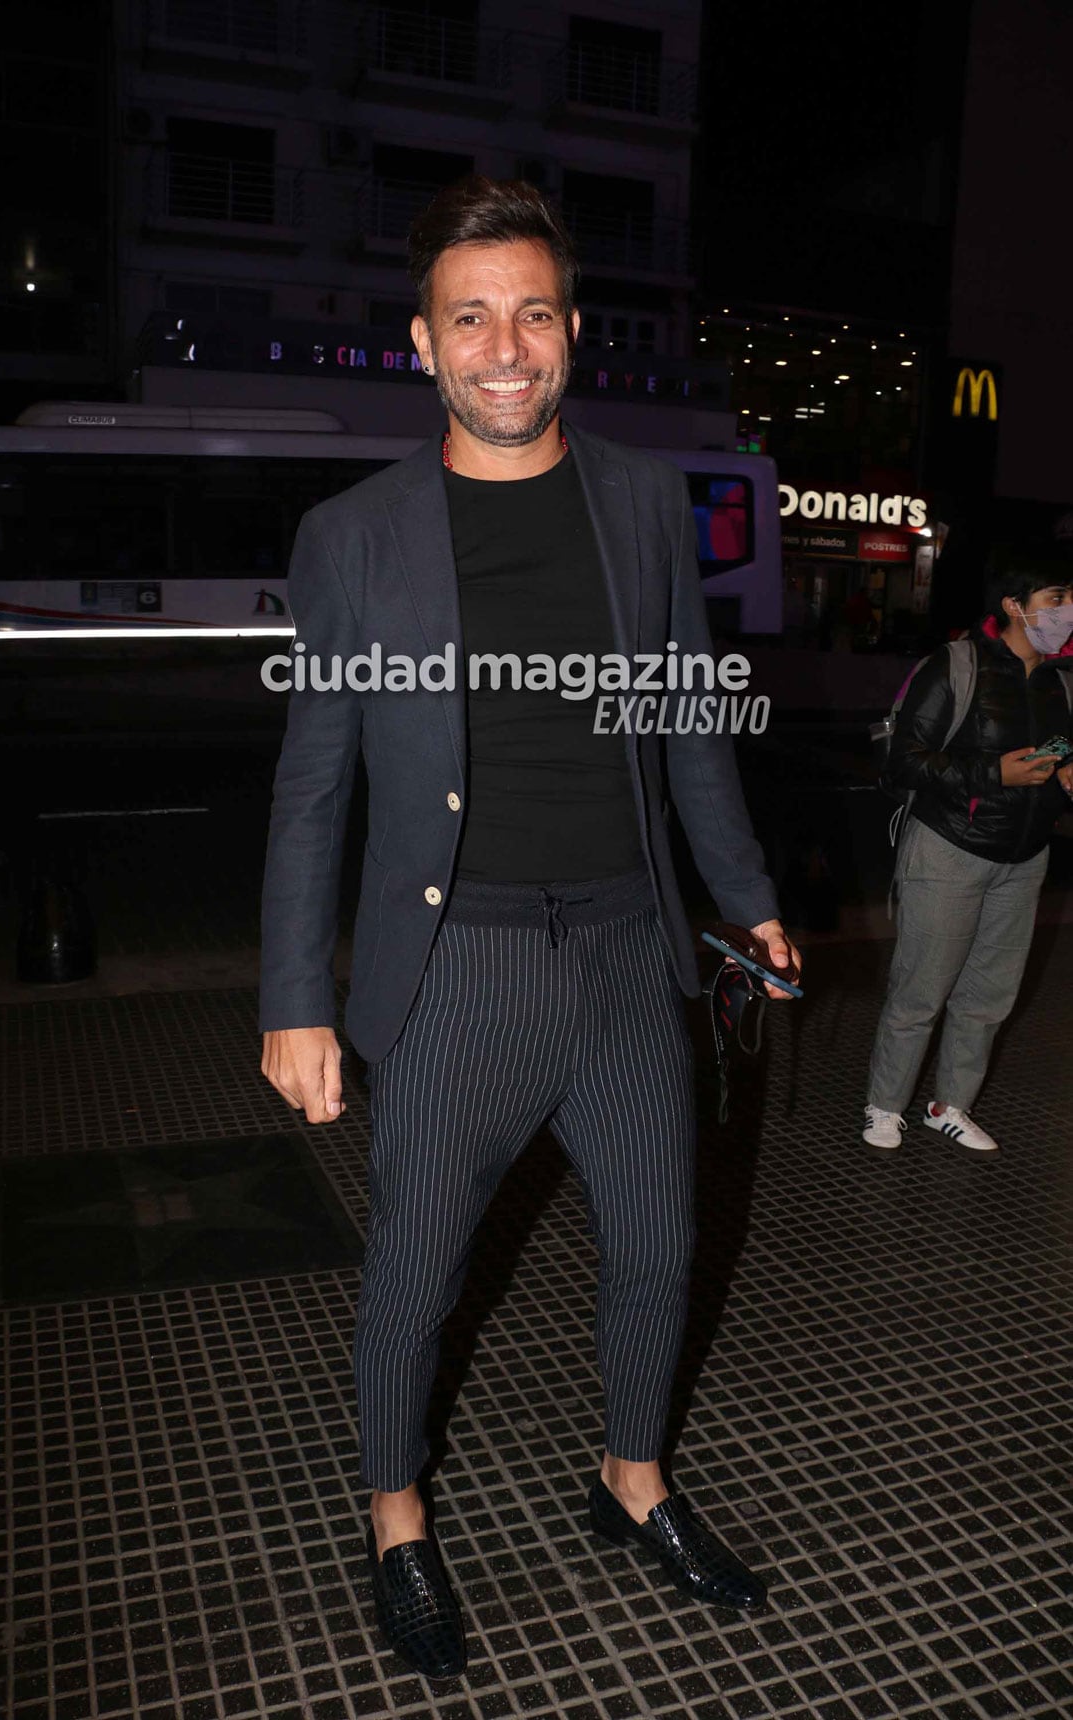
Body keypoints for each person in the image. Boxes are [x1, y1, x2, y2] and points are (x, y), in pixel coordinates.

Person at [259, 176, 801, 1680]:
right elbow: (312, 782)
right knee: (415, 1278)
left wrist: (743, 895)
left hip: (629, 947)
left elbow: (687, 726)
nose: (505, 345)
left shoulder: (637, 500)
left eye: (533, 313)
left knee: (658, 1247)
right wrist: (295, 994)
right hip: (462, 965)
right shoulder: (355, 537)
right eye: (470, 316)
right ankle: (395, 1518)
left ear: (572, 333)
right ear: (422, 343)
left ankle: (630, 1488)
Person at [863, 568, 1073, 1154]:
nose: (1068, 610)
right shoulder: (959, 664)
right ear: (1014, 604)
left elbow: (1052, 766)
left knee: (989, 994)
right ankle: (884, 1105)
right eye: (1056, 597)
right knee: (921, 988)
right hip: (949, 849)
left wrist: (1064, 782)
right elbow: (902, 763)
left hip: (1025, 857)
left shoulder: (1061, 681)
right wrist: (992, 773)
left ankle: (949, 1105)